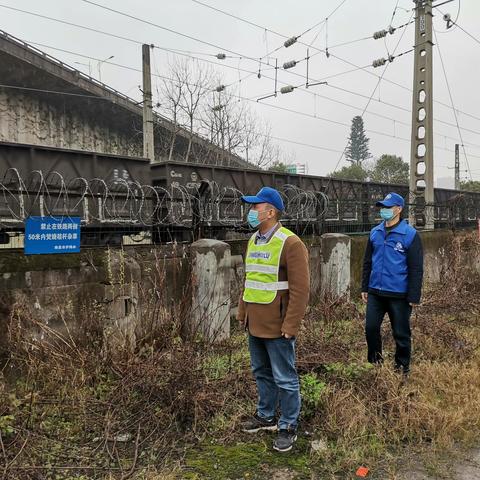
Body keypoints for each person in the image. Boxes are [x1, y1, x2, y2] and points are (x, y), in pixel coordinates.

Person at [237, 186, 310, 453]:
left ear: (270, 211)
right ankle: (266, 416)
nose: (251, 212)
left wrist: (291, 325)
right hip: (254, 322)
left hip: (278, 326)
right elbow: (250, 279)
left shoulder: (290, 243)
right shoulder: (253, 240)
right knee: (261, 373)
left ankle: (288, 425)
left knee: (285, 377)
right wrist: (242, 312)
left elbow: (300, 291)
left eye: (255, 207)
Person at [361, 192, 424, 375]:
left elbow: (416, 268)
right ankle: (375, 364)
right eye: (382, 207)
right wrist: (365, 287)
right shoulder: (375, 232)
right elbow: (367, 262)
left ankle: (402, 368)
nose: (384, 210)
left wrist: (414, 296)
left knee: (401, 334)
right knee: (371, 328)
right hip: (376, 292)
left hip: (399, 295)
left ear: (399, 209)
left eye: (388, 207)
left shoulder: (410, 235)